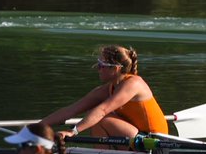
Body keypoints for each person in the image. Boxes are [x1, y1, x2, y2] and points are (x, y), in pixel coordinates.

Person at [39, 45, 167, 141]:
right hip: (137, 137)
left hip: (155, 142)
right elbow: (70, 110)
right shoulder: (107, 90)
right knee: (95, 116)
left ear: (116, 68)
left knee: (99, 116)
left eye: (101, 65)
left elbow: (102, 111)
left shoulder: (134, 84)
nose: (98, 69)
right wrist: (35, 128)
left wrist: (73, 132)